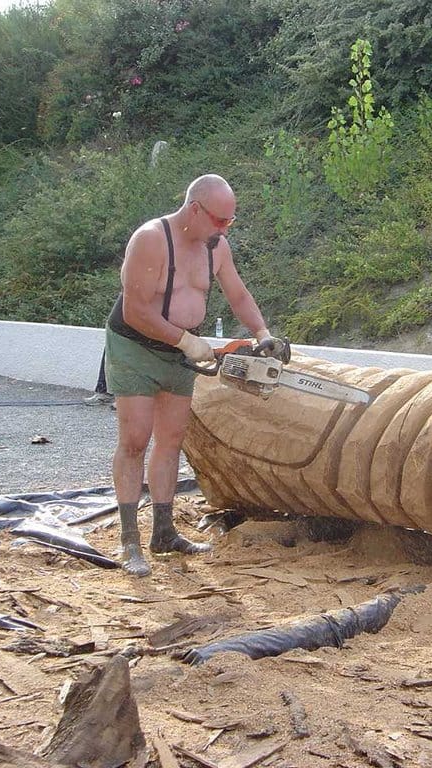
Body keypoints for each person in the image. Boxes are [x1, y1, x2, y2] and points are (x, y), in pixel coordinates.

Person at [103, 174, 284, 576]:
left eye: (229, 223)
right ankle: (130, 541)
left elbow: (237, 294)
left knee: (171, 440)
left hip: (180, 350)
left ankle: (163, 532)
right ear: (194, 209)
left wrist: (262, 333)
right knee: (135, 439)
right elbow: (136, 310)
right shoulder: (151, 239)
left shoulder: (216, 246)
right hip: (135, 345)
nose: (223, 229)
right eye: (219, 220)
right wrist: (186, 342)